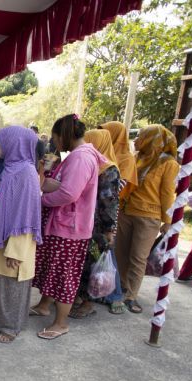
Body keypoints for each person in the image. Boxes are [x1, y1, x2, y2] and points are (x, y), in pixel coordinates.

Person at [31, 114, 103, 339]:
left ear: (64, 135)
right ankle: (44, 305)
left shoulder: (81, 158)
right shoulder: (76, 156)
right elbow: (63, 185)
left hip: (70, 228)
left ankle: (61, 323)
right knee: (55, 269)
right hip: (65, 224)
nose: (55, 143)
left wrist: (41, 199)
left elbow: (69, 193)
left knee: (64, 274)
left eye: (56, 138)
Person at [0, 126, 42, 343]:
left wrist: (16, 250)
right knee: (1, 285)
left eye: (3, 142)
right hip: (3, 238)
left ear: (15, 144)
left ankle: (10, 326)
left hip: (16, 242)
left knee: (12, 286)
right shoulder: (12, 168)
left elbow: (26, 216)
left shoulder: (26, 173)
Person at [115, 125, 180, 312]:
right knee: (121, 253)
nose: (136, 141)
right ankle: (120, 287)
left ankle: (131, 295)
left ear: (152, 139)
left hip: (148, 217)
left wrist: (168, 221)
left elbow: (168, 194)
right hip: (126, 212)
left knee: (138, 257)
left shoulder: (168, 164)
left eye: (141, 137)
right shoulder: (137, 158)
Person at [70, 129, 122, 318]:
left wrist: (109, 229)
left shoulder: (109, 169)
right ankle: (78, 296)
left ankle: (89, 302)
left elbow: (109, 202)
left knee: (93, 263)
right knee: (82, 261)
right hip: (85, 220)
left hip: (98, 225)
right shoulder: (92, 163)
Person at [99, 121, 138, 195]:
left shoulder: (127, 159)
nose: (102, 136)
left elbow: (118, 187)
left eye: (105, 133)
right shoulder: (103, 151)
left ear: (116, 136)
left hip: (108, 202)